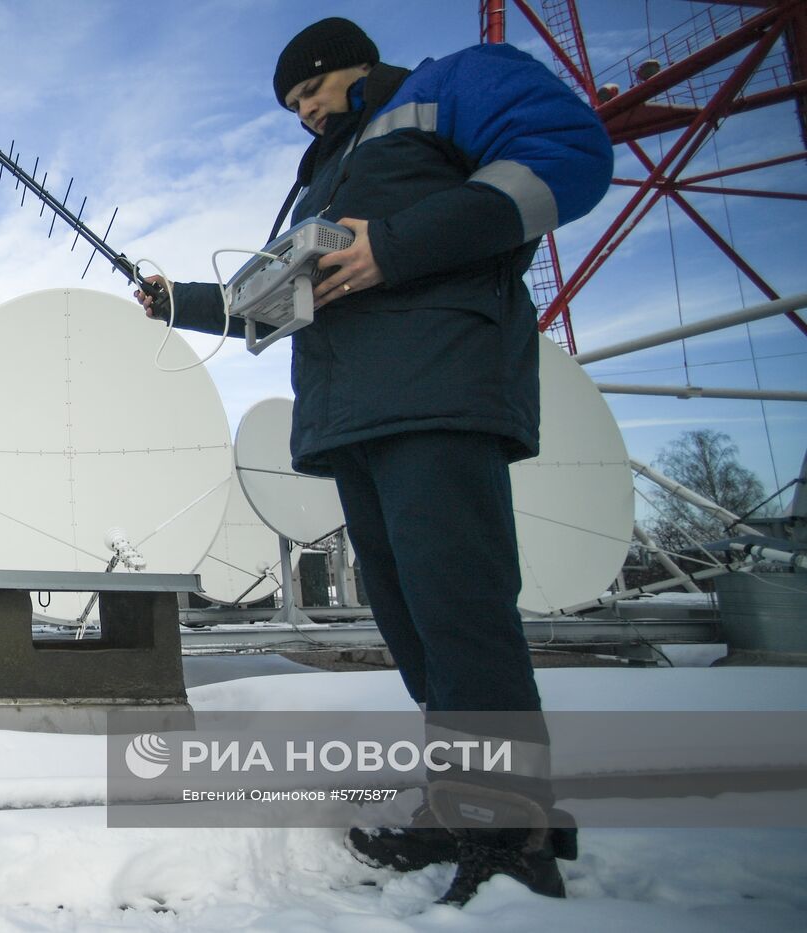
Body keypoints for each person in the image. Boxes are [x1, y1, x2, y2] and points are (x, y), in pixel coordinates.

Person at [134, 17, 612, 905]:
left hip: (437, 390)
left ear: (346, 64)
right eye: (291, 108)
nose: (303, 114)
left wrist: (395, 246)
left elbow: (570, 156)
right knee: (414, 624)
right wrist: (180, 301)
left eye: (308, 93)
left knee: (461, 613)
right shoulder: (323, 174)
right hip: (353, 415)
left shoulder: (456, 83)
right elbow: (273, 296)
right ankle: (473, 798)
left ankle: (511, 830)